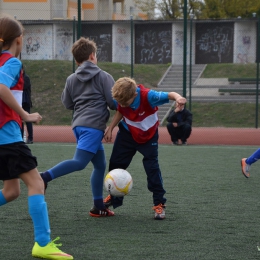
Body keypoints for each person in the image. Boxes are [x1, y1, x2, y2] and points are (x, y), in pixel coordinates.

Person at [0, 15, 73, 259]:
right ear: (19, 40)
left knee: (12, 191)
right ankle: (42, 243)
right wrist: (24, 114)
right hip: (8, 137)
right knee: (36, 183)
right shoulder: (11, 63)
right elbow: (0, 87)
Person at [40, 37, 116, 217]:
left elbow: (67, 103)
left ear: (76, 60)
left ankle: (98, 206)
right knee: (80, 162)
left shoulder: (71, 79)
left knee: (99, 165)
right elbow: (113, 103)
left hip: (79, 125)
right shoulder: (104, 76)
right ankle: (43, 177)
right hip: (93, 126)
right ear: (92, 56)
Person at [103, 77, 186, 220]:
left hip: (148, 137)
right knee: (115, 165)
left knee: (152, 168)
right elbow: (121, 111)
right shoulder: (123, 98)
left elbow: (171, 95)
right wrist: (111, 128)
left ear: (134, 95)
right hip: (127, 134)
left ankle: (159, 203)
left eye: (125, 102)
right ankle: (114, 198)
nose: (122, 104)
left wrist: (179, 98)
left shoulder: (148, 96)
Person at [21, 66, 33, 144]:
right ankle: (20, 138)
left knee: (28, 120)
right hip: (20, 102)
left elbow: (23, 86)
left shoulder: (26, 78)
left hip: (26, 102)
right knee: (20, 120)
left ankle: (30, 138)